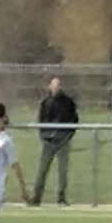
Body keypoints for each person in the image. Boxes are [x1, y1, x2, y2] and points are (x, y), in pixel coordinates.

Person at [30, 76, 78, 206]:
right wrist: (44, 136)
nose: (56, 88)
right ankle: (36, 198)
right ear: (50, 87)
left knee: (63, 171)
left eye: (58, 85)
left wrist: (68, 135)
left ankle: (61, 198)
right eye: (54, 85)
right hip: (48, 141)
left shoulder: (68, 102)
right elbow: (41, 120)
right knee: (42, 169)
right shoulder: (45, 102)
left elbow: (74, 120)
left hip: (63, 140)